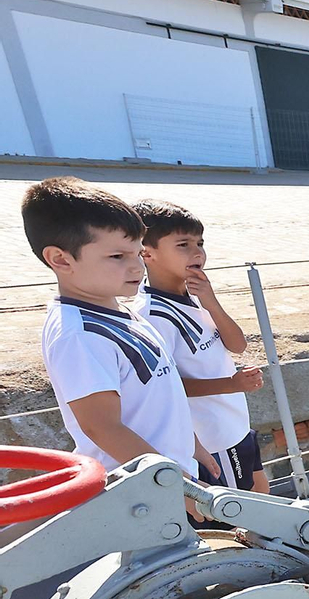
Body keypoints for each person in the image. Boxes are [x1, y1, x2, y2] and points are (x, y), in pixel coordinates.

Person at [22, 177, 215, 481]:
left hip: (167, 476)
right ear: (61, 259)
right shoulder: (79, 334)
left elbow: (161, 395)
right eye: (117, 257)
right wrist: (174, 483)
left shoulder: (121, 311)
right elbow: (102, 427)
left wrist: (192, 445)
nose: (137, 267)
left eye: (137, 253)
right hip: (139, 489)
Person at [128, 201, 267, 492]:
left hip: (235, 423)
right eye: (183, 245)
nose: (197, 252)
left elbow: (238, 345)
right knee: (242, 506)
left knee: (262, 491)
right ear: (146, 253)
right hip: (211, 437)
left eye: (200, 243)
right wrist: (231, 384)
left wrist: (211, 301)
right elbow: (164, 386)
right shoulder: (151, 315)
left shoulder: (195, 294)